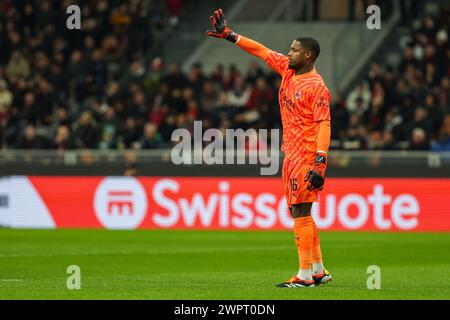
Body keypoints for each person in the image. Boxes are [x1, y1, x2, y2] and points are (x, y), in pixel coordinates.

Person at [206, 9, 332, 288]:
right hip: (292, 152)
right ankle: (319, 270)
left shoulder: (317, 87)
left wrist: (320, 161)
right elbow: (261, 51)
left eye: (295, 50)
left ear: (308, 55)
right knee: (300, 210)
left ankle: (304, 276)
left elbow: (324, 124)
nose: (289, 53)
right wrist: (230, 35)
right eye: (290, 49)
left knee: (300, 210)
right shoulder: (288, 71)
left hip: (307, 155)